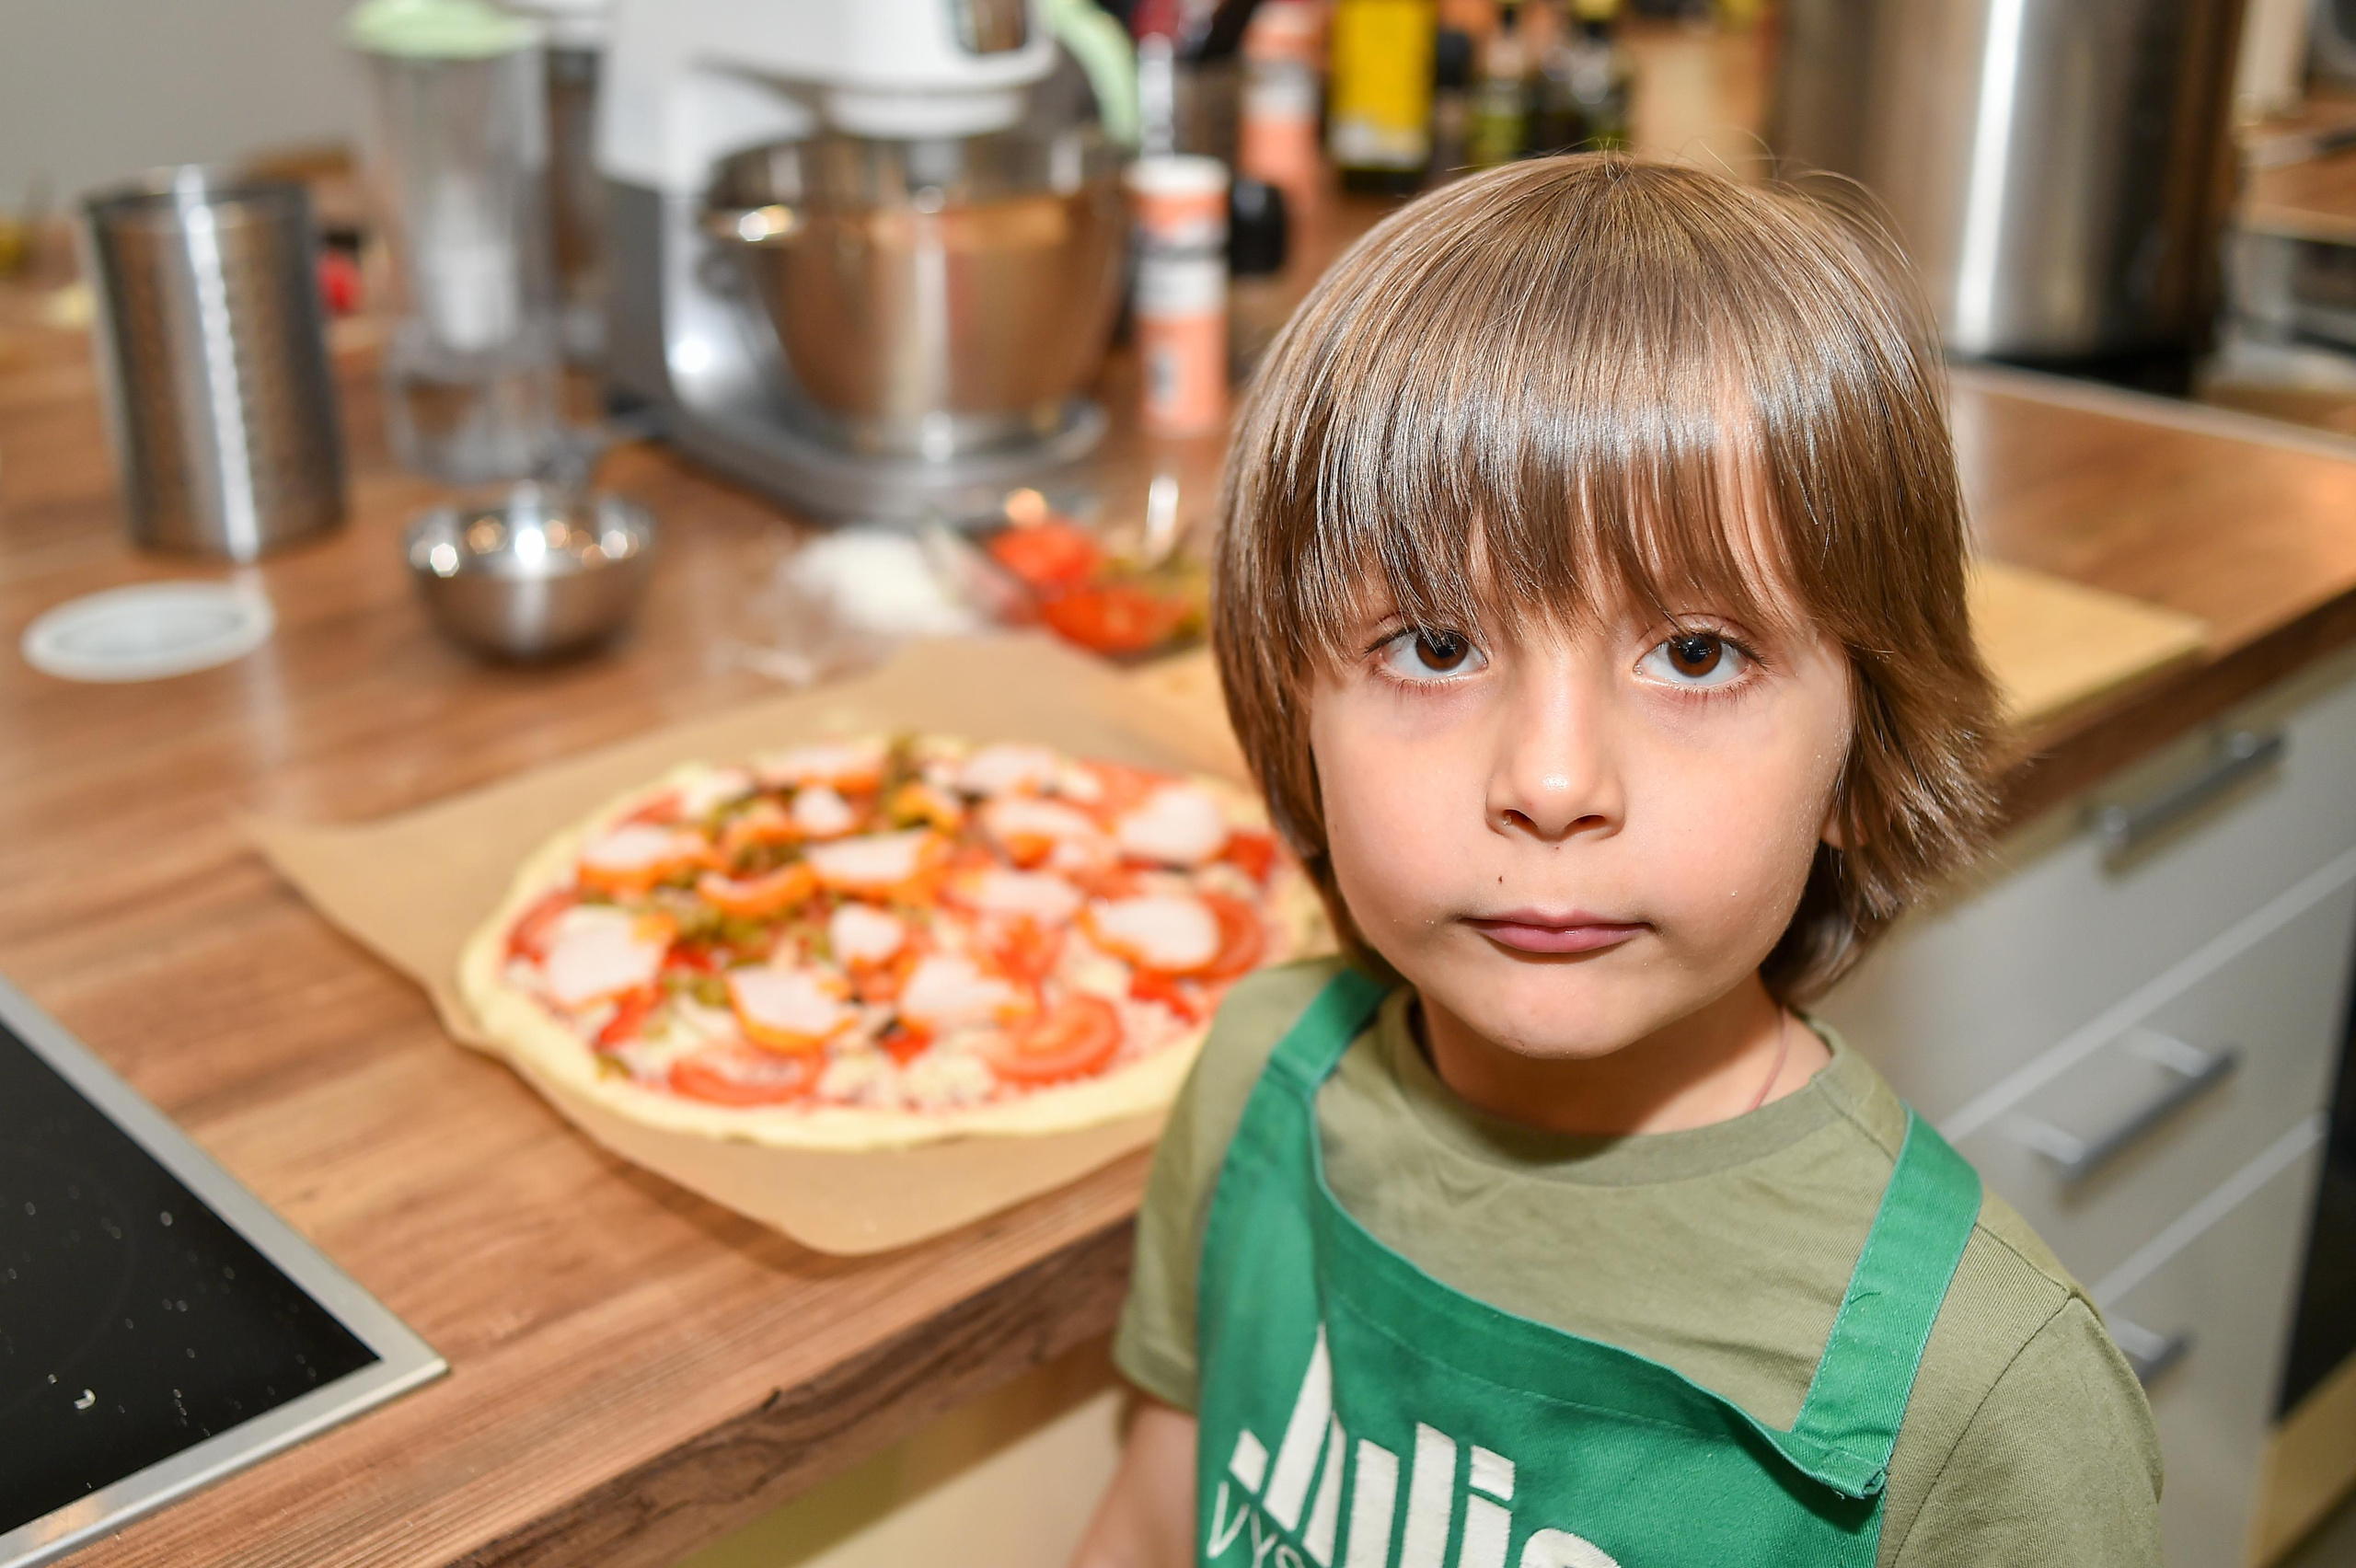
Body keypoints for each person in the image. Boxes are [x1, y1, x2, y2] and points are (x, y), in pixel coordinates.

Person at [1068, 155, 2162, 1568]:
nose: (1552, 783)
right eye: (1437, 646)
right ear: (1294, 709)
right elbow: (1157, 1523)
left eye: (1697, 654)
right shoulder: (1261, 1091)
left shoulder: (1991, 1397)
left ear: (1859, 747)